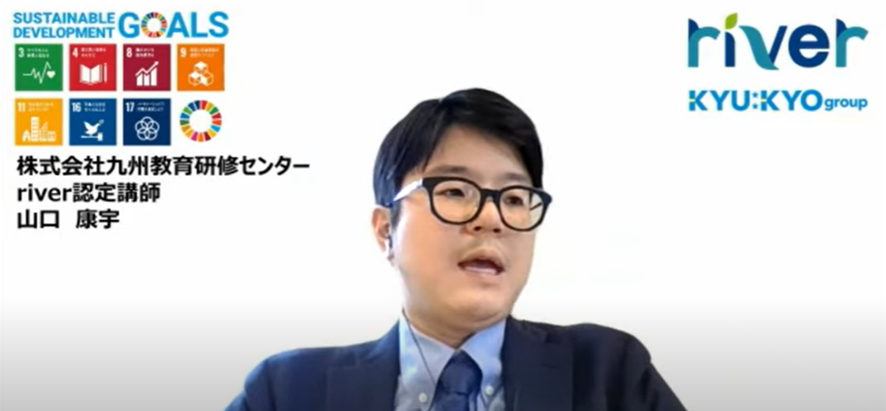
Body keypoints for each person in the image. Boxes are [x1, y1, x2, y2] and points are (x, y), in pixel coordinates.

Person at [224, 88, 686, 411]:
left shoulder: (608, 374)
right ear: (386, 231)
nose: (492, 218)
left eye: (514, 198)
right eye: (454, 191)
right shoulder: (288, 391)